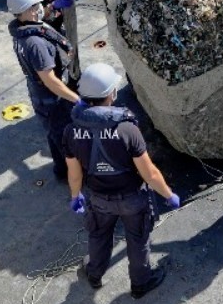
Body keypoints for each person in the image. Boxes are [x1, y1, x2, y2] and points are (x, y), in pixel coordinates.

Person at [63, 63, 180, 299]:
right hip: (132, 199)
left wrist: (76, 196)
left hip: (98, 198)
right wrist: (168, 195)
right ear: (111, 94)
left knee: (98, 235)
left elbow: (74, 173)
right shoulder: (127, 129)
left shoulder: (71, 131)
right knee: (137, 240)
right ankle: (140, 283)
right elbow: (150, 174)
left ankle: (94, 274)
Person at [6, 0, 78, 180]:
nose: (40, 8)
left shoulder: (21, 30)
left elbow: (41, 19)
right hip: (51, 99)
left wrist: (53, 6)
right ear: (29, 9)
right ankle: (71, 175)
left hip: (38, 95)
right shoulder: (35, 44)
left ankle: (61, 170)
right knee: (64, 139)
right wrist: (76, 100)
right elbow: (50, 80)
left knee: (53, 134)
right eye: (37, 5)